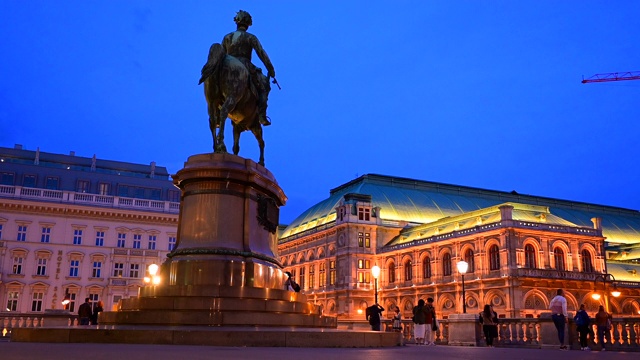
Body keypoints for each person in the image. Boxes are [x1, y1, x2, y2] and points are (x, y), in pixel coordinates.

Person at [222, 10, 276, 126]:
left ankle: (216, 114)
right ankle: (261, 115)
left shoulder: (227, 37)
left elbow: (222, 55)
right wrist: (270, 69)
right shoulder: (251, 37)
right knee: (264, 87)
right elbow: (261, 53)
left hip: (227, 66)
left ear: (236, 22)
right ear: (248, 24)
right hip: (245, 64)